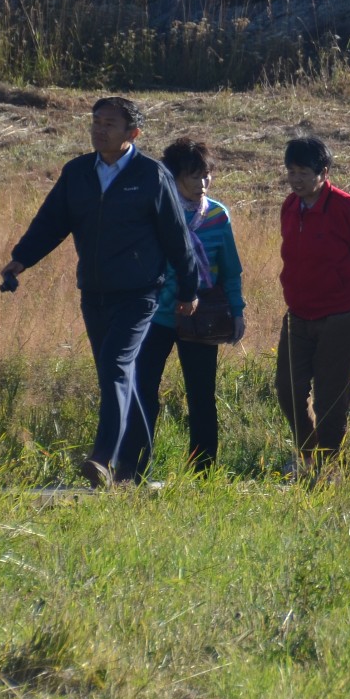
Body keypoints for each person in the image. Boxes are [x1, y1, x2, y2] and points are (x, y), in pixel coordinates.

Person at [0, 97, 196, 488]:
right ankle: (134, 470)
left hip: (140, 294)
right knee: (118, 376)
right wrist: (21, 258)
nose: (99, 130)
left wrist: (188, 290)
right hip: (94, 293)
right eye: (96, 122)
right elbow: (52, 221)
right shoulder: (77, 174)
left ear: (132, 134)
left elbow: (177, 238)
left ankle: (104, 458)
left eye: (109, 124)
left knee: (115, 368)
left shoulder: (151, 175)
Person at [130, 138, 246, 477]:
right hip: (156, 317)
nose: (202, 184)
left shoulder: (217, 216)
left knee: (201, 396)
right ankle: (135, 469)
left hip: (202, 319)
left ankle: (203, 474)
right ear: (173, 177)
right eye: (193, 177)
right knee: (143, 391)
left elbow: (230, 270)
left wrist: (237, 311)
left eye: (206, 175)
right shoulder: (156, 211)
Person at [277, 135, 350, 468]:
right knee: (286, 388)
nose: (296, 179)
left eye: (303, 172)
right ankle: (309, 454)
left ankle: (325, 467)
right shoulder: (289, 207)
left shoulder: (345, 207)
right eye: (291, 171)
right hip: (298, 315)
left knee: (331, 399)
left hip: (341, 317)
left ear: (324, 171)